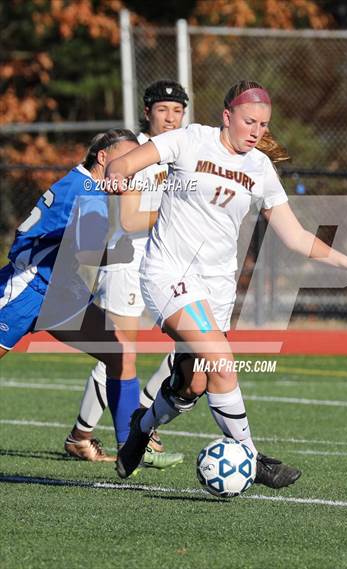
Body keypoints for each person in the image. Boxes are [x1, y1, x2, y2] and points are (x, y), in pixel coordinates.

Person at [105, 80, 347, 487]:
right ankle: (252, 458)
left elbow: (293, 236)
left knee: (193, 384)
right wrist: (117, 174)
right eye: (249, 121)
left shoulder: (260, 168)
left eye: (264, 124)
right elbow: (126, 163)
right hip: (168, 274)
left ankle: (142, 426)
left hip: (217, 287)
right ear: (227, 117)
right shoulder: (190, 139)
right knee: (221, 360)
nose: (257, 130)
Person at [64, 80, 189, 467]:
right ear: (147, 111)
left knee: (188, 346)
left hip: (162, 264)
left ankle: (141, 424)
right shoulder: (132, 152)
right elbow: (132, 218)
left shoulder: (178, 153)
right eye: (163, 109)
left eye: (178, 110)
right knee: (120, 353)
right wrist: (176, 215)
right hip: (127, 262)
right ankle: (83, 436)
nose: (171, 117)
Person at [0, 129, 144, 458]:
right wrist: (116, 251)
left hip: (61, 292)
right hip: (29, 288)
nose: (131, 169)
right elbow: (87, 249)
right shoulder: (88, 191)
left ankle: (131, 447)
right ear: (103, 158)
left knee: (120, 352)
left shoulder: (90, 186)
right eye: (125, 161)